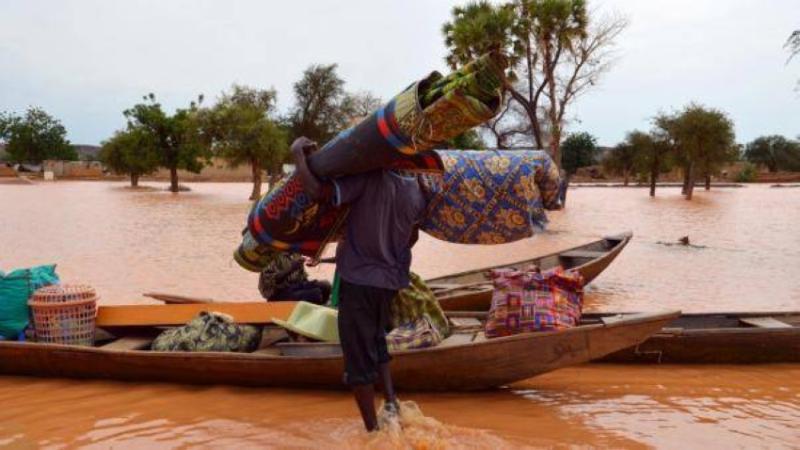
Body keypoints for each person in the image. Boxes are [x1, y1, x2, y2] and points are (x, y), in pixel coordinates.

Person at [291, 136, 425, 432]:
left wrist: (298, 157)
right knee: (377, 339)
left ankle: (373, 434)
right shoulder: (414, 190)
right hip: (389, 283)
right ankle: (391, 403)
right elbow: (412, 238)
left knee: (357, 364)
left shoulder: (366, 180)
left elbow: (317, 192)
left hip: (359, 281)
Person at [258, 252, 331, 305]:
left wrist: (309, 285)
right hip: (279, 293)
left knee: (326, 286)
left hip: (296, 287)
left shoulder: (296, 254)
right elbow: (272, 280)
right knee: (315, 294)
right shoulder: (272, 255)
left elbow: (302, 278)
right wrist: (291, 268)